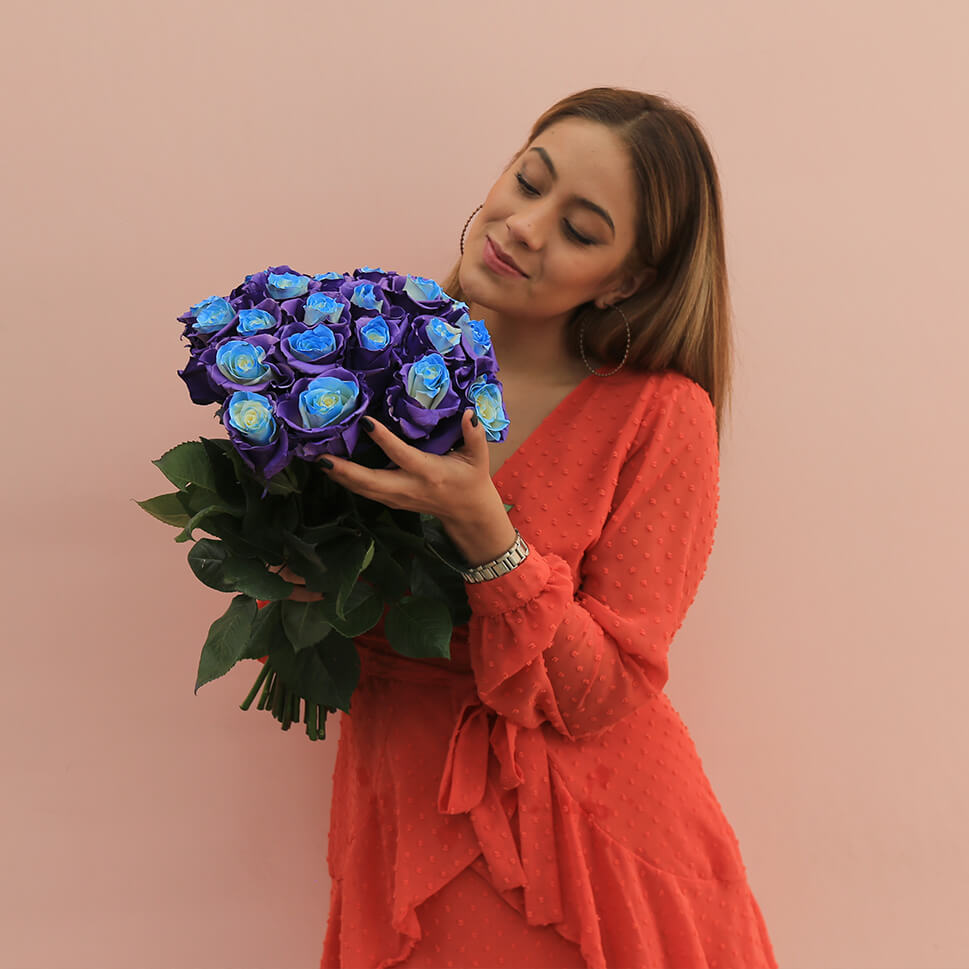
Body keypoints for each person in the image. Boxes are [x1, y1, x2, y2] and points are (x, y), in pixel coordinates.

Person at [274, 87, 779, 969]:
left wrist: (488, 535)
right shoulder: (367, 362)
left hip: (579, 846)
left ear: (625, 282)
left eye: (580, 230)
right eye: (528, 181)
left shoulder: (658, 415)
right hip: (399, 804)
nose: (525, 228)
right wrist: (289, 567)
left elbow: (604, 690)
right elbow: (329, 622)